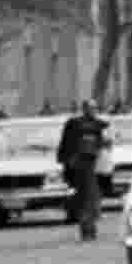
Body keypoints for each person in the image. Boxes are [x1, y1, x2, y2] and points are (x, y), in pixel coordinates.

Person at [57, 101, 108, 241]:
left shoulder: (96, 125)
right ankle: (86, 229)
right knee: (84, 200)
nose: (93, 111)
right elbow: (66, 144)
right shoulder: (75, 124)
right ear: (84, 109)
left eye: (95, 109)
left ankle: (89, 229)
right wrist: (68, 161)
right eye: (91, 109)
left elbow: (102, 134)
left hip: (91, 168)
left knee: (90, 201)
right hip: (80, 168)